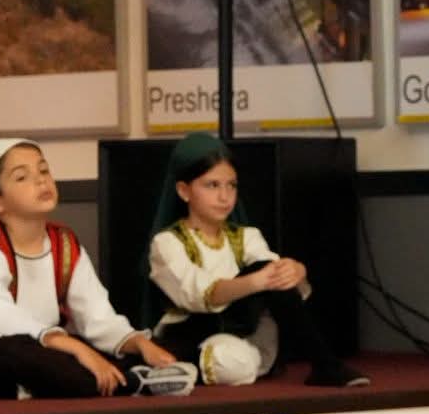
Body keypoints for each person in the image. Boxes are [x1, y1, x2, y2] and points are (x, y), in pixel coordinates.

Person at [0, 137, 197, 399]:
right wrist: (71, 346)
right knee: (20, 354)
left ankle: (116, 377)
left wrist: (139, 344)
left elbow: (96, 316)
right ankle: (131, 382)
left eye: (43, 171)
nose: (41, 181)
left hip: (54, 348)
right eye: (22, 177)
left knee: (167, 346)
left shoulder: (65, 243)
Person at [147, 132, 369, 387]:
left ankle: (321, 364)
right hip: (193, 332)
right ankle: (320, 363)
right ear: (184, 191)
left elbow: (275, 278)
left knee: (271, 279)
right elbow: (197, 295)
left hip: (244, 333)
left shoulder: (247, 236)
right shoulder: (167, 243)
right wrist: (255, 282)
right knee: (229, 358)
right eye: (212, 185)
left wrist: (297, 271)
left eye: (231, 185)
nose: (224, 196)